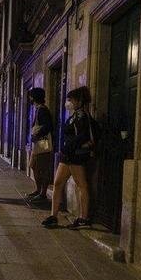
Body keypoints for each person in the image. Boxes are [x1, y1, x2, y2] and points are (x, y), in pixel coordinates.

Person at [42, 86, 94, 228]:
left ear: (79, 101)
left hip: (75, 156)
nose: (68, 102)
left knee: (81, 185)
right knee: (58, 183)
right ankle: (53, 216)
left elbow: (82, 136)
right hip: (67, 155)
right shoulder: (74, 116)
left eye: (70, 99)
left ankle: (84, 218)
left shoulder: (82, 116)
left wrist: (68, 147)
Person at [26, 87, 54, 202]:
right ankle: (38, 190)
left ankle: (42, 193)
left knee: (41, 166)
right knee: (33, 165)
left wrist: (37, 135)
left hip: (43, 142)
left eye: (31, 96)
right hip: (39, 142)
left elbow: (47, 126)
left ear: (34, 97)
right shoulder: (38, 109)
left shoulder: (43, 110)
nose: (29, 98)